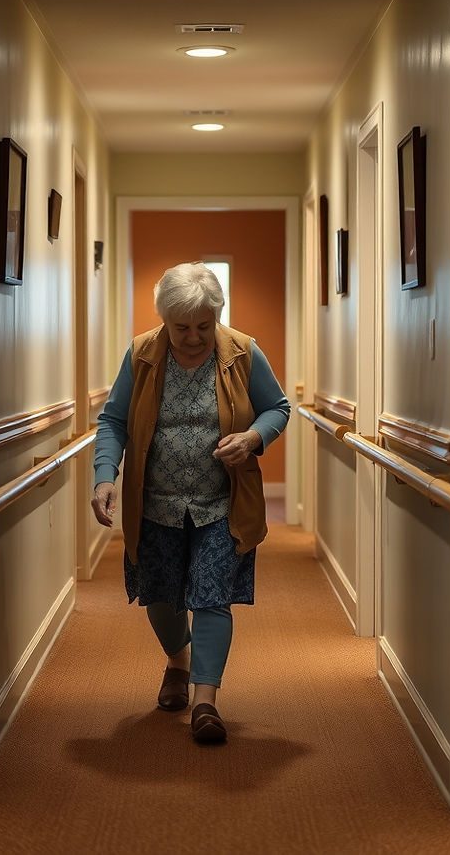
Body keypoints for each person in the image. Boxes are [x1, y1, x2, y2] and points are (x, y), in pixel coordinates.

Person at [91, 262, 290, 744]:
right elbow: (113, 420)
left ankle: (205, 701)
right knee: (160, 598)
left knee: (211, 596)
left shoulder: (242, 351)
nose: (194, 337)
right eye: (182, 327)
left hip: (221, 502)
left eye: (205, 326)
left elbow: (277, 408)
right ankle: (178, 658)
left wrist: (253, 438)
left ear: (217, 316)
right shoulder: (141, 354)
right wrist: (104, 477)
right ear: (164, 320)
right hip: (155, 502)